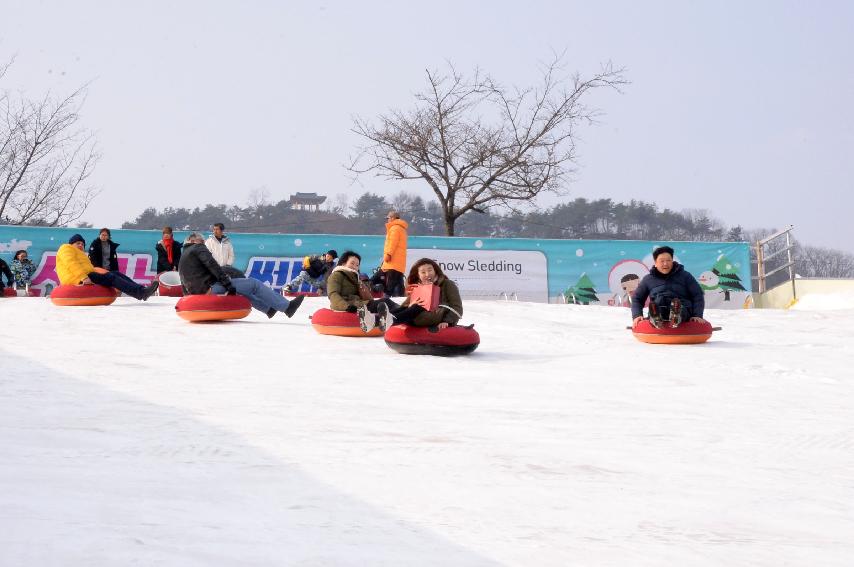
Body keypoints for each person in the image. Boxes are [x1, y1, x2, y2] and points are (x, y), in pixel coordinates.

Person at [179, 232, 304, 319]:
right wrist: (227, 284)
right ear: (193, 240)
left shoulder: (184, 256)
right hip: (210, 289)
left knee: (243, 289)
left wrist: (188, 299)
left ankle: (269, 309)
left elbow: (183, 280)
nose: (203, 244)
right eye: (202, 241)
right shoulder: (197, 248)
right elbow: (212, 265)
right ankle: (287, 307)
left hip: (197, 294)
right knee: (253, 284)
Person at [56, 234, 158, 300]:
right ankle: (141, 293)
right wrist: (83, 277)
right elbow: (71, 263)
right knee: (111, 278)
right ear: (71, 244)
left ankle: (142, 290)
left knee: (115, 273)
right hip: (76, 277)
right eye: (77, 243)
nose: (80, 245)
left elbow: (89, 268)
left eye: (82, 244)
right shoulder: (66, 248)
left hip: (87, 275)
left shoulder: (81, 254)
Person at [631, 245, 707, 328]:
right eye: (662, 261)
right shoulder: (648, 279)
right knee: (657, 306)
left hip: (682, 309)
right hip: (659, 307)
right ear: (655, 263)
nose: (665, 263)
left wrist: (697, 315)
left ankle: (676, 316)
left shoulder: (685, 276)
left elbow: (697, 295)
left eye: (668, 260)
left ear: (672, 261)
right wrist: (637, 315)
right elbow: (637, 298)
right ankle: (656, 318)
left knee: (680, 308)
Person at [382, 258, 463, 330]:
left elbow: (457, 306)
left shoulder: (447, 284)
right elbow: (405, 306)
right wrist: (411, 304)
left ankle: (390, 320)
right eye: (423, 272)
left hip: (436, 315)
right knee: (389, 302)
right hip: (416, 315)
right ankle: (380, 319)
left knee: (416, 307)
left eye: (430, 270)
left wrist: (447, 321)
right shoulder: (418, 287)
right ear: (419, 275)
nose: (427, 274)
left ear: (435, 270)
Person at [326, 250, 397, 331]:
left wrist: (360, 284)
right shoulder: (336, 275)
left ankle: (402, 314)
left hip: (359, 304)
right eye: (352, 263)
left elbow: (369, 299)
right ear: (343, 263)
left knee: (386, 303)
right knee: (386, 302)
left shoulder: (355, 277)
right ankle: (404, 315)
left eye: (357, 265)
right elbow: (333, 294)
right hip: (349, 305)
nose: (354, 267)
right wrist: (346, 306)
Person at [377, 210, 408, 297]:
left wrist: (388, 254)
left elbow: (392, 243)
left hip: (392, 261)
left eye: (388, 218)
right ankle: (400, 301)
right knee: (398, 283)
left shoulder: (395, 228)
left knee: (389, 286)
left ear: (393, 218)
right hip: (399, 263)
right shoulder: (402, 229)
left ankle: (385, 301)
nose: (387, 220)